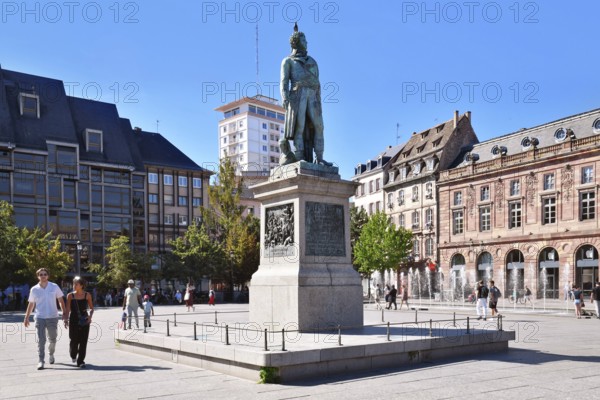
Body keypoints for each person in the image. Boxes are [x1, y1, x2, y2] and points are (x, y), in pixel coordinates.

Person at [279, 23, 332, 166]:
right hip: (297, 94)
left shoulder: (313, 61)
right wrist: (285, 97)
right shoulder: (287, 61)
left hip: (313, 94)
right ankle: (299, 155)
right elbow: (283, 82)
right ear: (296, 42)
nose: (306, 43)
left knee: (319, 126)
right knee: (299, 126)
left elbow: (317, 80)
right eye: (304, 40)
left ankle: (320, 158)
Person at [23, 268, 67, 370]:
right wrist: (26, 317)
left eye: (45, 274)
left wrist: (64, 313)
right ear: (38, 276)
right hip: (40, 317)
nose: (43, 276)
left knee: (53, 339)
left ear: (48, 275)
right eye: (41, 274)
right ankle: (41, 361)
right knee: (41, 340)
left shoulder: (54, 286)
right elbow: (31, 304)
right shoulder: (34, 289)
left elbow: (60, 300)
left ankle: (51, 354)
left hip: (52, 316)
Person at [65, 276, 94, 368]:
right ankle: (73, 354)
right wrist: (66, 319)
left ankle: (80, 361)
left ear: (81, 285)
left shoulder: (87, 295)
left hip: (84, 319)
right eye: (73, 283)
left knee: (83, 341)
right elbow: (68, 308)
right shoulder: (70, 295)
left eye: (76, 284)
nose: (74, 285)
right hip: (73, 319)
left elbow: (92, 308)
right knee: (73, 340)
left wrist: (90, 316)